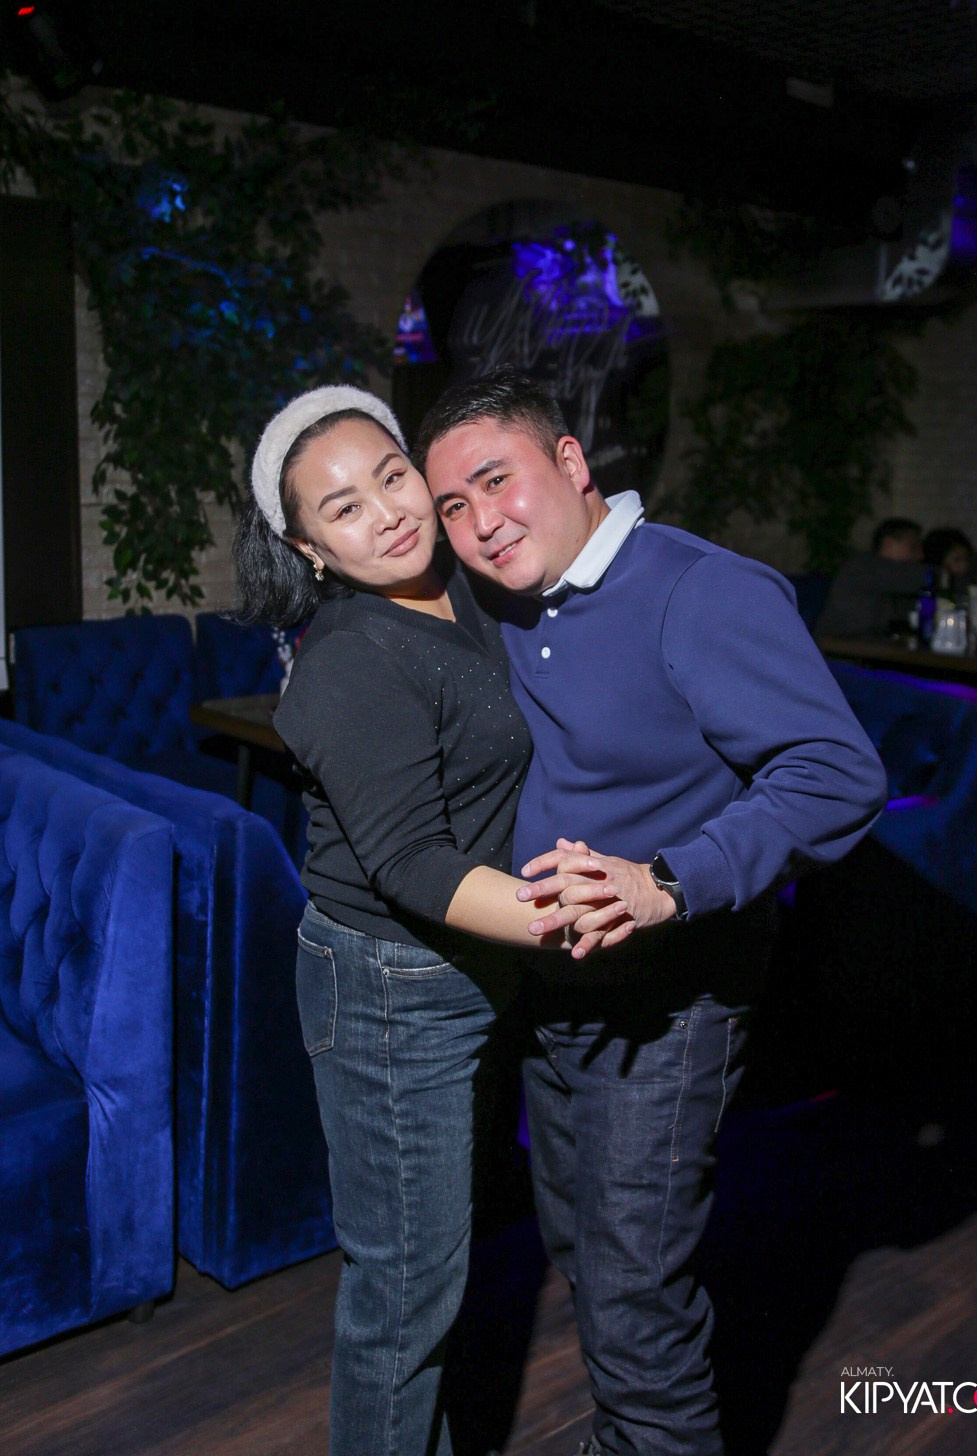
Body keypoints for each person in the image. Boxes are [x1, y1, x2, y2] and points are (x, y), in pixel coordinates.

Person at [417, 369, 888, 1456]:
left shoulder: (700, 590)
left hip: (672, 1005)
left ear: (571, 461)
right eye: (455, 505)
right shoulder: (507, 598)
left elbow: (834, 772)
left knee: (634, 1291)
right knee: (583, 1250)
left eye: (497, 479)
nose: (482, 522)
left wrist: (667, 881)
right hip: (552, 990)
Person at [232, 384, 604, 1456]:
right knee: (404, 1299)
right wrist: (582, 918)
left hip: (464, 965)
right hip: (391, 985)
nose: (386, 513)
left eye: (391, 476)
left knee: (437, 1268)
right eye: (342, 508)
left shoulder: (461, 590)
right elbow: (411, 866)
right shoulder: (351, 660)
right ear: (307, 548)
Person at [814, 515, 928, 640]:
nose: (920, 555)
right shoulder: (863, 567)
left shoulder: (891, 581)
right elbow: (917, 578)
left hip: (859, 646)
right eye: (913, 547)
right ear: (888, 543)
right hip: (835, 647)